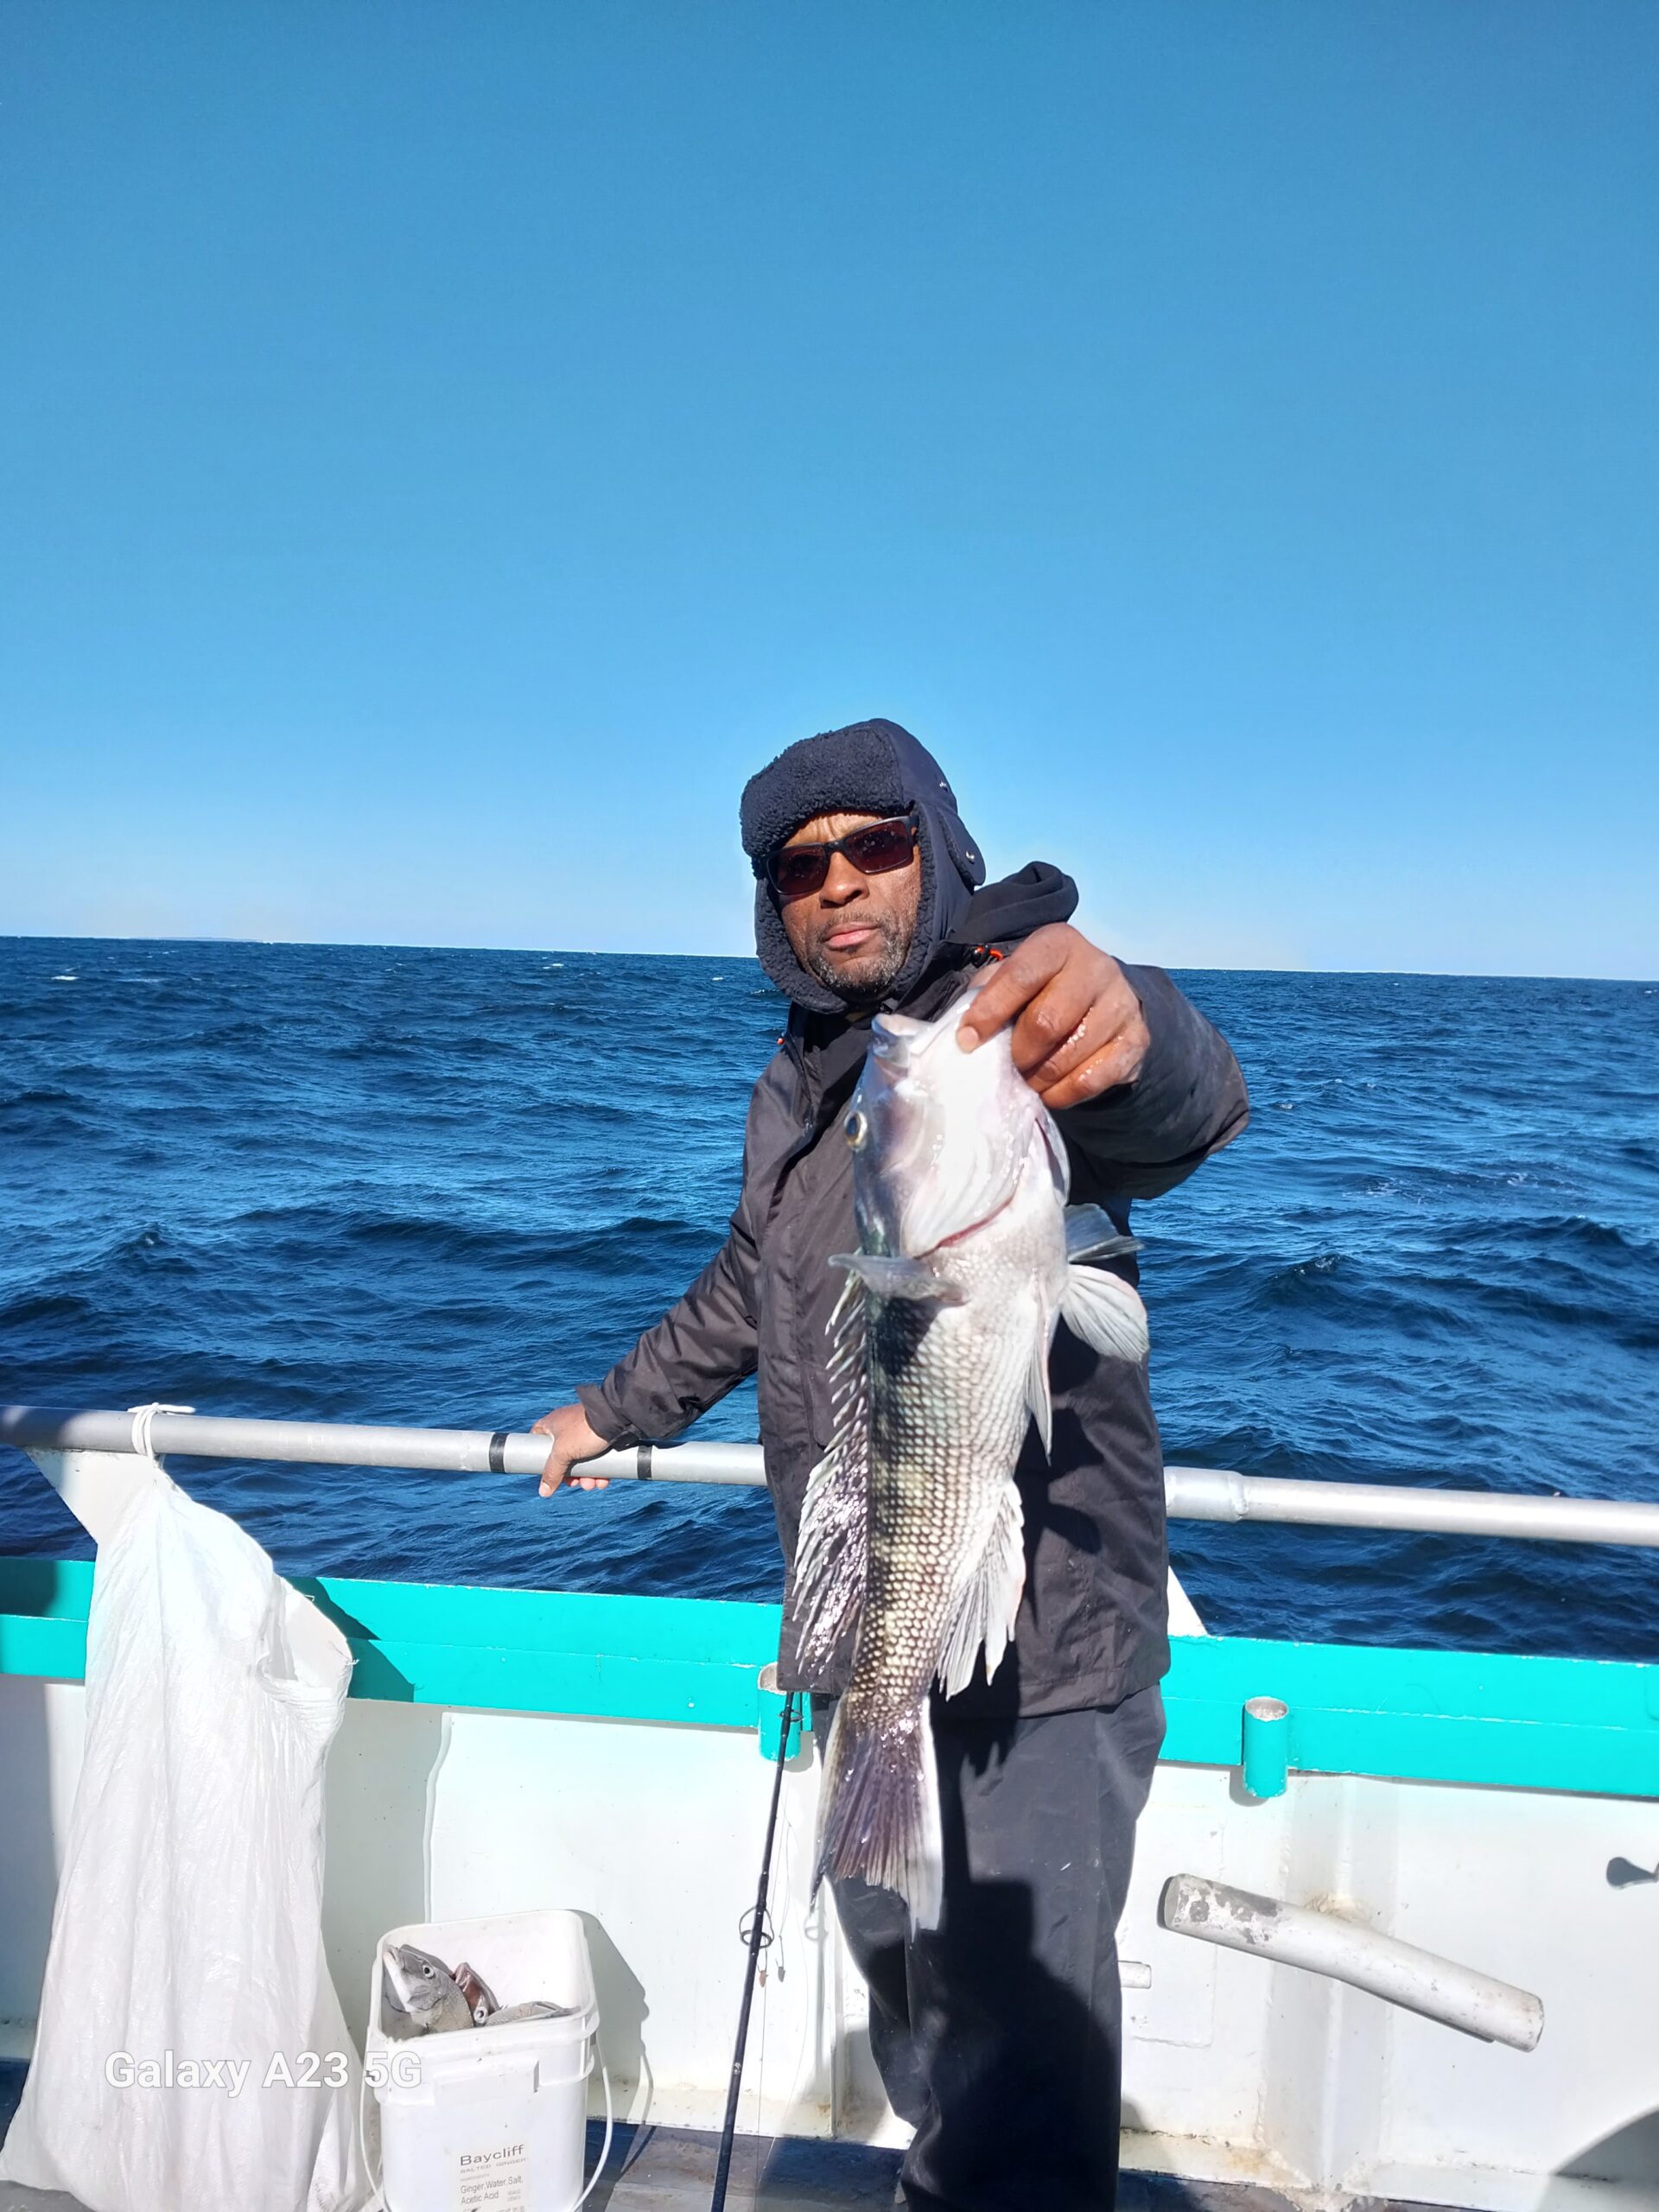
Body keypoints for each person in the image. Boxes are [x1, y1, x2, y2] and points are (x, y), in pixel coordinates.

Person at [532, 718, 1248, 2212]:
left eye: (877, 845)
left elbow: (1179, 1098)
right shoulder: (802, 1082)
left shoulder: (1002, 1025)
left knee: (1023, 2066)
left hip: (1043, 1654)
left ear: (938, 845)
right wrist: (610, 1413)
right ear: (772, 903)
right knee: (908, 1991)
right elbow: (750, 1283)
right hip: (867, 1619)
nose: (840, 884)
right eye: (801, 864)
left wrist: (1129, 1025)